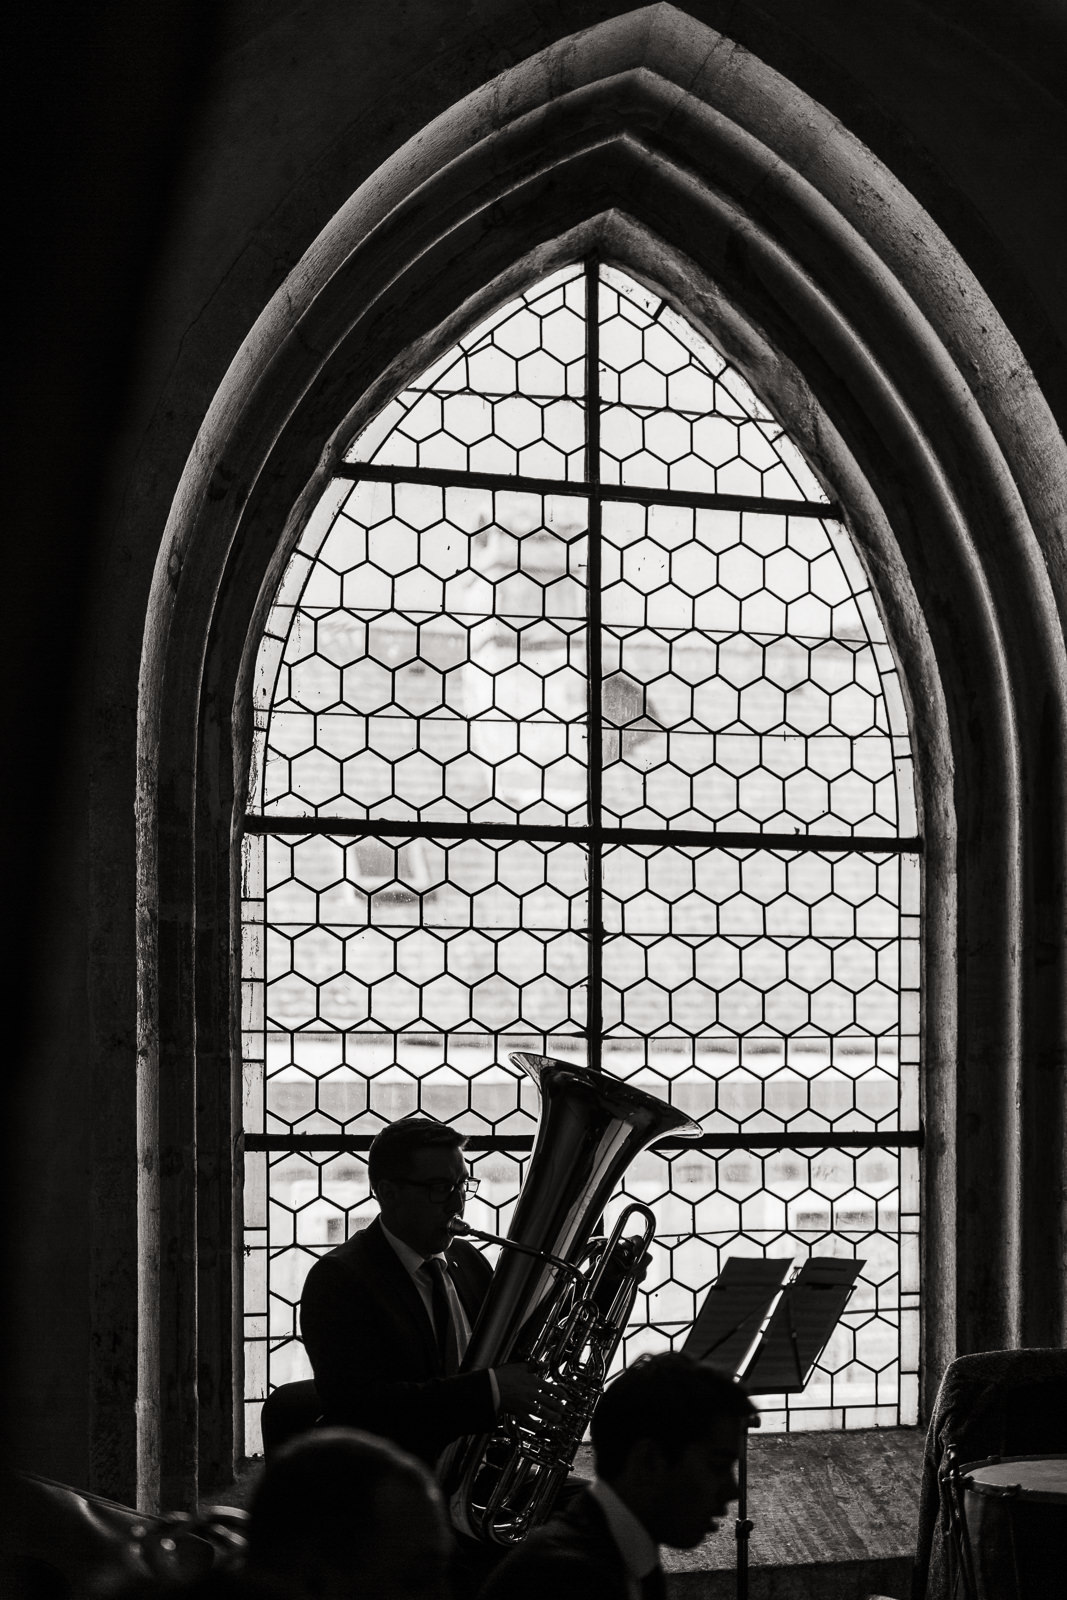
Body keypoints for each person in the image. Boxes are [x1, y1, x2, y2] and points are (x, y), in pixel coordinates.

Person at [299, 1117, 560, 1468]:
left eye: (462, 1185)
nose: (457, 1205)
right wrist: (491, 1391)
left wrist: (602, 1290)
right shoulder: (339, 1279)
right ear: (388, 1193)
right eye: (440, 1187)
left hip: (480, 1466)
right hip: (393, 1484)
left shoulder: (467, 1260)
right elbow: (362, 1408)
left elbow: (516, 1354)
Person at [474, 1352, 756, 1600]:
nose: (733, 1491)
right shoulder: (566, 1579)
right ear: (649, 1461)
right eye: (717, 1465)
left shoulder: (616, 1558)